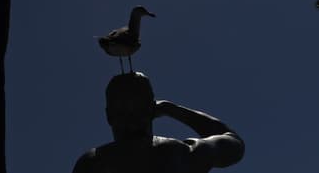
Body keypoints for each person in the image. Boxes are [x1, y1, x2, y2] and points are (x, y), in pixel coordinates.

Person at [72, 73, 244, 173]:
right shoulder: (177, 154)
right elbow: (234, 143)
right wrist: (170, 109)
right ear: (150, 109)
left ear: (109, 115)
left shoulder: (92, 163)